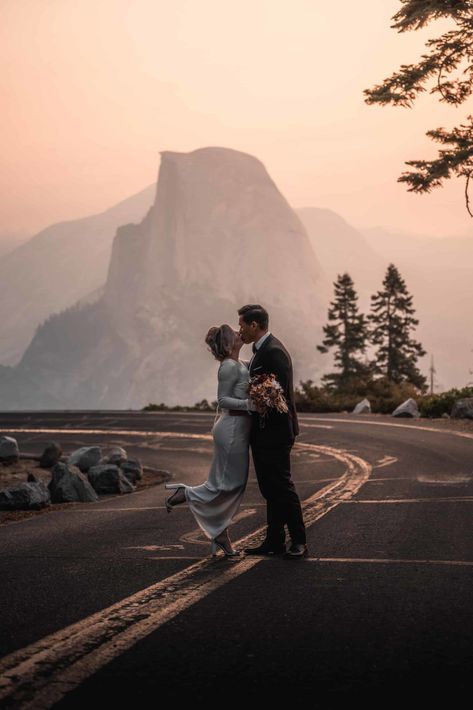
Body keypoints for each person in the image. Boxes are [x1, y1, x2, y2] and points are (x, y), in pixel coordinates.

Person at [164, 323, 255, 558]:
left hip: (239, 429)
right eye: (234, 333)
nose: (239, 333)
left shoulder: (239, 364)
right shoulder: (227, 367)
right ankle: (187, 494)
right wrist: (249, 405)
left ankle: (220, 533)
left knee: (233, 484)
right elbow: (222, 400)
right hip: (231, 428)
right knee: (229, 484)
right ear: (227, 343)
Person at [237, 304, 308, 559]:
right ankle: (274, 540)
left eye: (242, 325)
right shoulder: (262, 350)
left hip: (276, 433)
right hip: (264, 433)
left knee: (282, 486)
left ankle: (299, 540)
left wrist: (250, 400)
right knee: (269, 488)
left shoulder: (274, 351)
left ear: (254, 325)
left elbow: (276, 397)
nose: (240, 330)